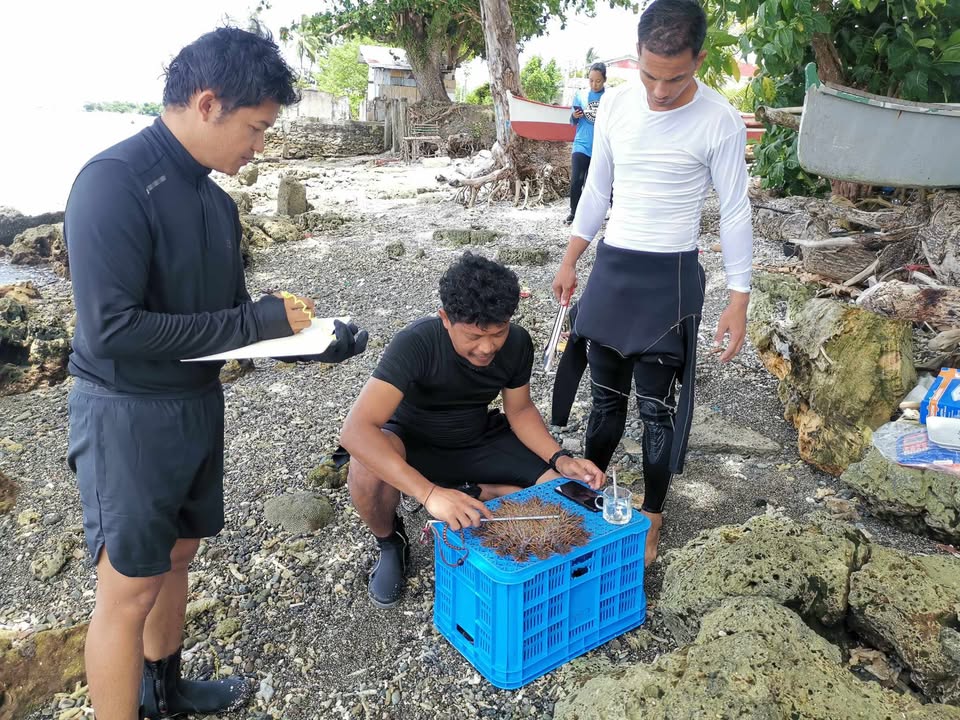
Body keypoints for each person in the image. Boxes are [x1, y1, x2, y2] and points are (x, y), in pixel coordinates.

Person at [64, 27, 367, 720]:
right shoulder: (113, 183)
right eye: (256, 128)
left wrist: (310, 346)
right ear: (207, 103)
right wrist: (256, 324)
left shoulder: (216, 202)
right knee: (127, 588)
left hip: (196, 404)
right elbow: (112, 330)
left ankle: (163, 692)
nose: (259, 146)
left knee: (179, 556)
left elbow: (226, 319)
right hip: (128, 414)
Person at [551, 0, 753, 567]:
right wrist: (571, 258)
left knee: (656, 409)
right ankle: (592, 499)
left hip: (671, 275)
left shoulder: (720, 120)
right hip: (614, 267)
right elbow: (596, 192)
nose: (659, 92)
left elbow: (735, 212)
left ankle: (653, 518)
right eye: (648, 75)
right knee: (604, 399)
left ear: (700, 61)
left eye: (675, 78)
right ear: (635, 59)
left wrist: (739, 300)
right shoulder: (614, 104)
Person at [340, 252, 605, 608]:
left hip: (478, 437)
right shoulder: (416, 343)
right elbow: (355, 431)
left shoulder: (517, 344)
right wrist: (428, 493)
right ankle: (390, 543)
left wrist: (559, 458)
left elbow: (521, 409)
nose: (487, 347)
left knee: (565, 493)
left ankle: (471, 491)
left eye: (498, 333)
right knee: (366, 464)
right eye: (474, 336)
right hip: (413, 440)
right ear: (446, 319)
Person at [566, 62, 607, 225]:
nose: (594, 84)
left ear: (604, 80)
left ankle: (591, 215)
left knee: (592, 183)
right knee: (576, 180)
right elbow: (572, 122)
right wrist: (575, 116)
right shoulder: (580, 96)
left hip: (600, 146)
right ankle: (574, 213)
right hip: (581, 144)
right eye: (591, 80)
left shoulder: (608, 97)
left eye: (598, 81)